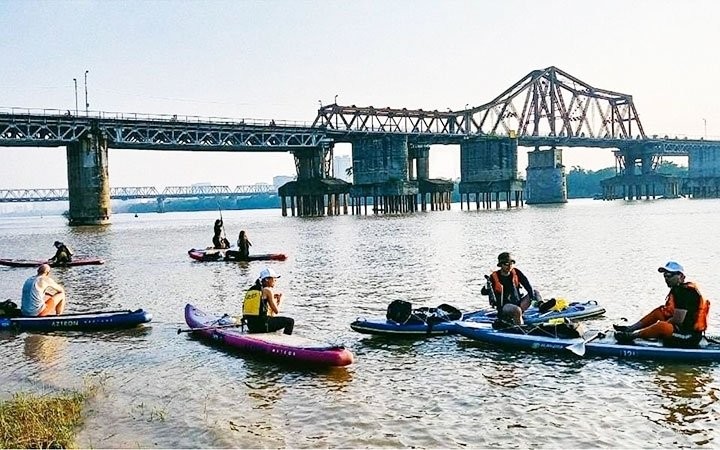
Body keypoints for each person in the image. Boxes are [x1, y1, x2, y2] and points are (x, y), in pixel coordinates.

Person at [613, 261, 710, 347]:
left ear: (680, 276)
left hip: (688, 337)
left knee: (662, 326)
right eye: (665, 275)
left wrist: (655, 328)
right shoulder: (678, 289)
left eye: (669, 275)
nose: (666, 278)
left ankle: (631, 336)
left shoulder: (684, 292)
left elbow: (678, 320)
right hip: (681, 329)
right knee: (660, 311)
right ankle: (630, 329)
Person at [481, 252, 542, 324]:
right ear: (501, 265)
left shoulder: (516, 272)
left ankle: (541, 305)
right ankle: (520, 329)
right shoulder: (494, 277)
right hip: (504, 307)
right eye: (506, 264)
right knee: (517, 310)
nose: (509, 266)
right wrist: (487, 285)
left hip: (518, 303)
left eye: (511, 263)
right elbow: (483, 292)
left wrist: (532, 298)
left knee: (535, 292)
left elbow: (528, 286)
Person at [242, 267, 294, 335]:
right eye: (274, 278)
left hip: (251, 326)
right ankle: (286, 342)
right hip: (262, 326)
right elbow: (276, 311)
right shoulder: (268, 290)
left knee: (272, 320)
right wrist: (281, 299)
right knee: (290, 321)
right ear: (266, 279)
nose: (275, 280)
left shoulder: (251, 290)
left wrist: (273, 298)